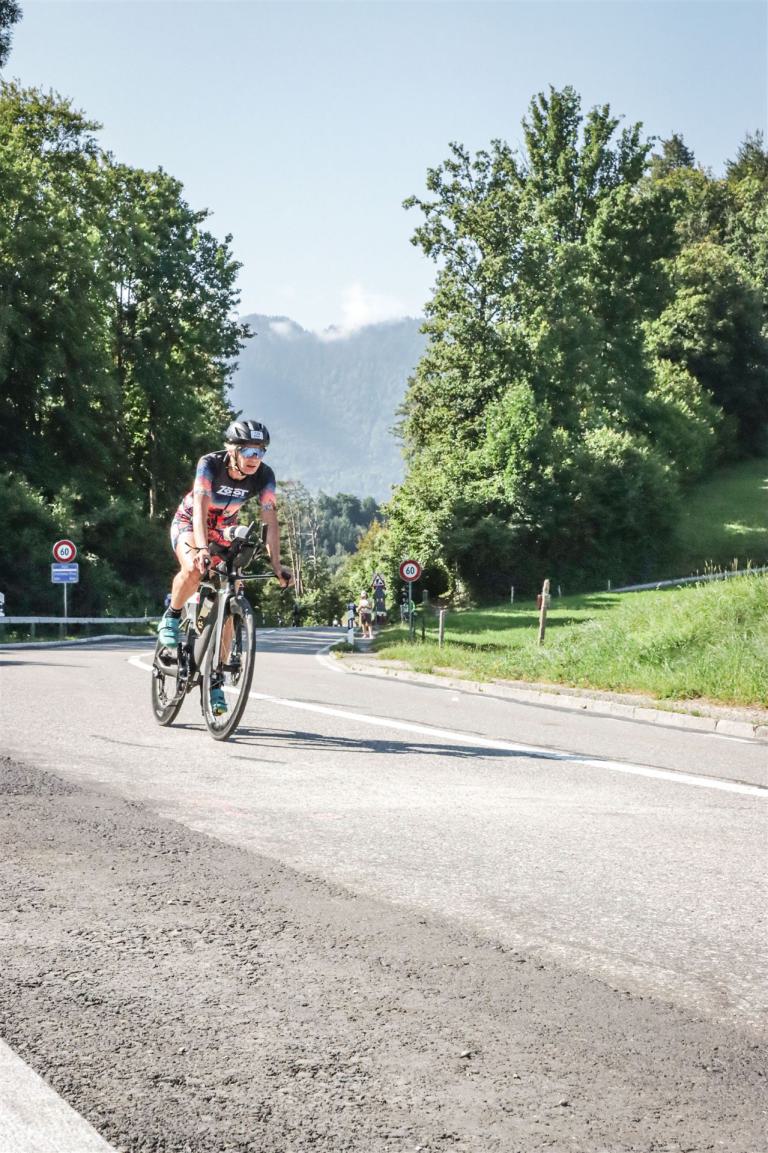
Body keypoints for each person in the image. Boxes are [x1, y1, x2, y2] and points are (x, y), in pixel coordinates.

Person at [157, 418, 292, 715]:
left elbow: (270, 521)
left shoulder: (265, 475)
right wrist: (202, 549)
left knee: (231, 593)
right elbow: (200, 506)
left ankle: (215, 680)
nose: (255, 458)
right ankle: (172, 616)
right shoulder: (210, 464)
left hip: (223, 530)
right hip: (190, 523)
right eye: (249, 451)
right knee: (194, 568)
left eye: (260, 451)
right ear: (232, 449)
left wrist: (276, 564)